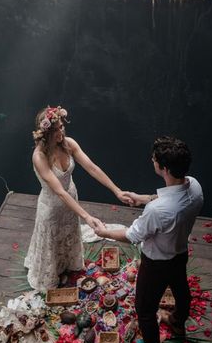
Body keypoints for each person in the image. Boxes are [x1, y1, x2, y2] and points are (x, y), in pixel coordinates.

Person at [94, 136, 203, 343]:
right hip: (180, 253)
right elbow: (166, 199)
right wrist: (141, 198)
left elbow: (133, 235)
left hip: (156, 264)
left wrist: (106, 232)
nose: (151, 160)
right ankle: (177, 322)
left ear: (163, 168)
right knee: (181, 288)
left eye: (154, 159)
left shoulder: (158, 211)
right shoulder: (194, 186)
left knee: (144, 310)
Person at [24, 105, 132, 292]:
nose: (62, 131)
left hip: (71, 198)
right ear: (47, 132)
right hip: (52, 206)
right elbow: (59, 192)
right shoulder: (39, 156)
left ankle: (67, 264)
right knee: (53, 239)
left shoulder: (69, 144)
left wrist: (117, 190)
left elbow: (92, 168)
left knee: (69, 234)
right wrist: (87, 217)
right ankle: (51, 272)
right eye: (56, 129)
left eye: (62, 127)